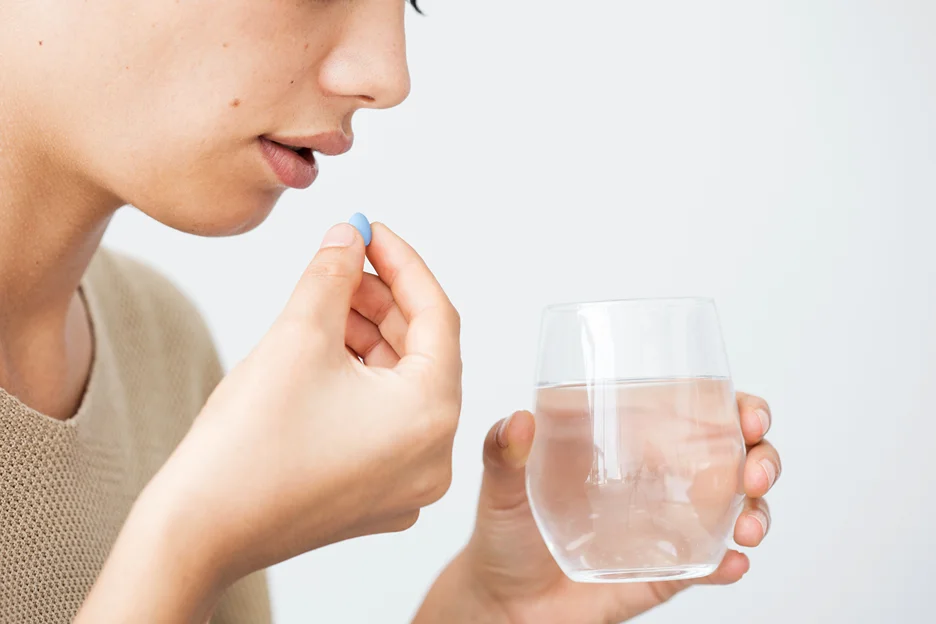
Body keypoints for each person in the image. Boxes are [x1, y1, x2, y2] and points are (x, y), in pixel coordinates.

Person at [0, 1, 781, 622]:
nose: (389, 73)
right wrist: (191, 542)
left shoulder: (159, 344)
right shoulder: (200, 448)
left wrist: (491, 616)